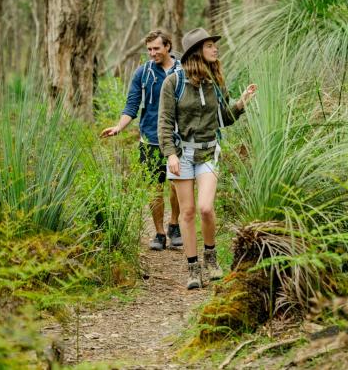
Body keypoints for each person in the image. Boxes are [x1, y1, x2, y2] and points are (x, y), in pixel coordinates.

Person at [158, 28, 257, 289]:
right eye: (210, 45)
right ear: (197, 52)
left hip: (208, 151)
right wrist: (170, 154)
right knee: (187, 212)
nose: (215, 49)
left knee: (205, 208)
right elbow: (165, 122)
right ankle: (193, 268)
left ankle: (211, 257)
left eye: (215, 45)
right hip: (182, 154)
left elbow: (223, 119)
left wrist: (242, 102)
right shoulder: (174, 82)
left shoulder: (215, 81)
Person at [101, 29, 183, 251]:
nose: (152, 53)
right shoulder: (143, 73)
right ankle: (159, 233)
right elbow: (132, 105)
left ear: (167, 46)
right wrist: (119, 127)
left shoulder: (182, 70)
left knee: (177, 186)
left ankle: (174, 224)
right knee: (154, 188)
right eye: (149, 49)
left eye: (156, 48)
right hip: (150, 139)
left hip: (178, 140)